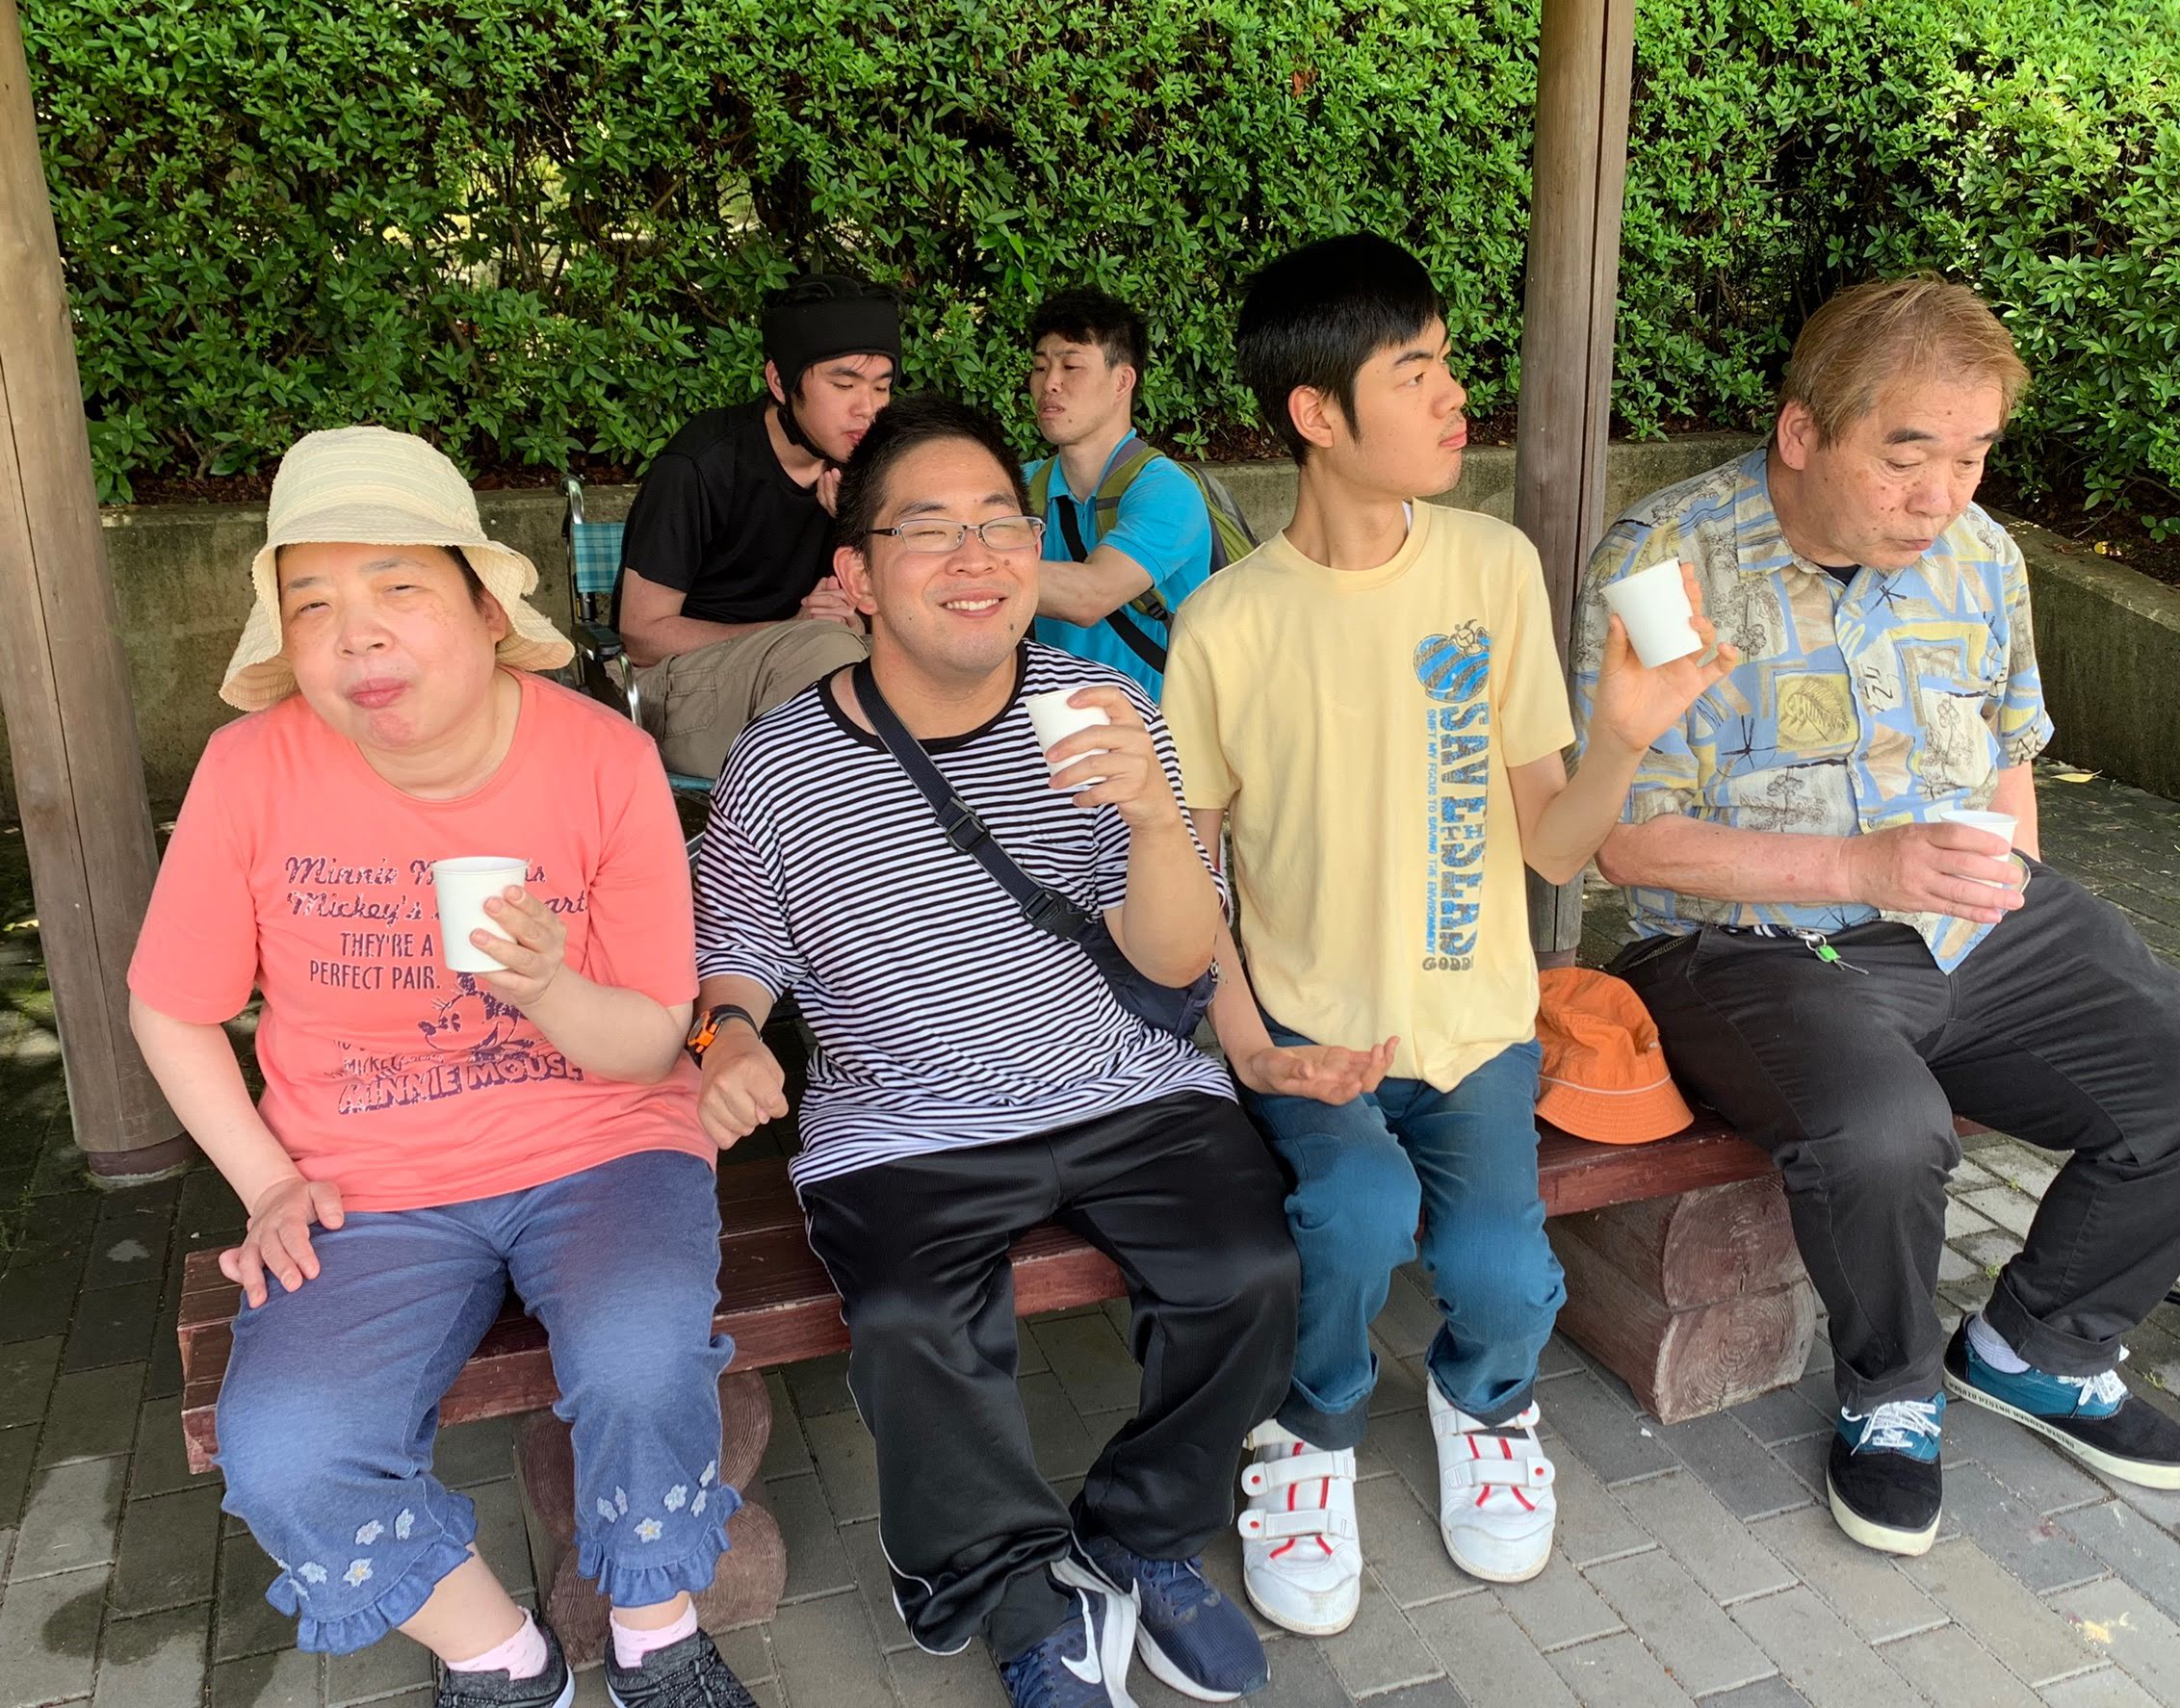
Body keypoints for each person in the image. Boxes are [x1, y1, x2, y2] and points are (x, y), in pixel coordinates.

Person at [1572, 276, 2180, 1558]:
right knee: (1888, 1130)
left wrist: (2016, 894)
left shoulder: (1983, 555)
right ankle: (1890, 1390)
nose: (1941, 493)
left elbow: (2009, 754)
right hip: (1744, 944)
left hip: (1964, 919)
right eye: (1908, 456)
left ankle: (2037, 1346)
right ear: (1802, 431)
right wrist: (1865, 865)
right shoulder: (1665, 565)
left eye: (1972, 455)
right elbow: (1625, 837)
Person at [126, 427, 760, 1708]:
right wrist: (265, 1180)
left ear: (486, 607)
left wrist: (548, 988)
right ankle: (502, 1657)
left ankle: (657, 1630)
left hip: (603, 1144)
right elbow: (170, 1007)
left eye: (397, 587)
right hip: (365, 1179)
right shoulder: (251, 767)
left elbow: (657, 1034)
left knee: (641, 1356)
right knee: (287, 1447)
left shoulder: (603, 758)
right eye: (312, 603)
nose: (355, 632)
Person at [1159, 234, 1735, 1638]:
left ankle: (1487, 1404)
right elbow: (1190, 870)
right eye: (1412, 371)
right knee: (1352, 1212)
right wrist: (1254, 1049)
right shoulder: (1225, 624)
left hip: (1476, 1024)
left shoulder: (1492, 565)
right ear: (1317, 413)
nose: (1452, 394)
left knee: (1497, 1271)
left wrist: (1622, 737)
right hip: (1312, 1031)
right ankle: (1308, 1429)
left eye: (1445, 362)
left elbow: (1553, 843)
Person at [688, 394, 1300, 1707]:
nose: (976, 556)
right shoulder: (779, 765)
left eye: (1000, 523)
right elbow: (732, 943)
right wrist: (726, 1032)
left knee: (1250, 1271)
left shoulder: (1105, 706)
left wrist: (1156, 816)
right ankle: (1010, 1586)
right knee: (918, 1324)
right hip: (905, 1115)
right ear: (857, 576)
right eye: (929, 528)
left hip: (1128, 1082)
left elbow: (1178, 960)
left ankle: (1139, 1529)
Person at [615, 272, 899, 778]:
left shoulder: (865, 469)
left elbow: (896, 613)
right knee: (830, 653)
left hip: (812, 673)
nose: (869, 409)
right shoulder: (701, 464)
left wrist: (856, 527)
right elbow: (642, 636)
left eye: (882, 387)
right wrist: (794, 630)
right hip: (678, 689)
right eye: (843, 385)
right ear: (780, 382)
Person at [1025, 287, 1218, 700]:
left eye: (1071, 366)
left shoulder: (1167, 492)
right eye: (1040, 367)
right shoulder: (1017, 487)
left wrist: (962, 572)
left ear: (1122, 381)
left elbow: (1090, 595)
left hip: (1156, 729)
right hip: (1051, 726)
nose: (1049, 384)